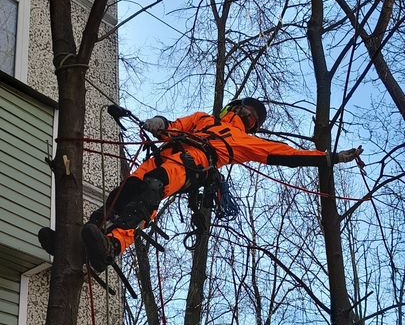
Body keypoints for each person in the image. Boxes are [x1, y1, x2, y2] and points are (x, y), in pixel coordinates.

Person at [38, 97, 363, 272]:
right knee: (116, 200)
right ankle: (76, 247)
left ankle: (111, 247)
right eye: (245, 113)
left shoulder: (243, 142)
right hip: (161, 159)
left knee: (148, 197)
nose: (242, 116)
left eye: (245, 115)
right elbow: (173, 128)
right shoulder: (203, 120)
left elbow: (287, 155)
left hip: (186, 168)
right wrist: (160, 124)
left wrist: (328, 157)